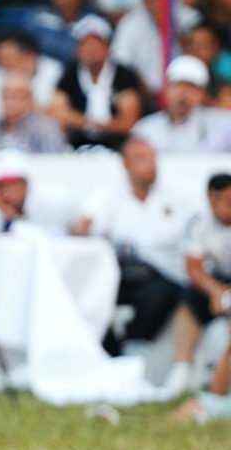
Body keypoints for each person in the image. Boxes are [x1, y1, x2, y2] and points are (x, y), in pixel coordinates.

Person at [75, 137, 196, 355]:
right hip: (122, 273)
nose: (149, 164)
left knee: (161, 292)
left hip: (167, 275)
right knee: (89, 291)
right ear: (125, 164)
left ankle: (130, 346)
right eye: (140, 158)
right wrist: (82, 229)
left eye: (152, 158)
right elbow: (83, 226)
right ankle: (106, 351)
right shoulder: (108, 195)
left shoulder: (179, 195)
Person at [166, 173, 231, 395]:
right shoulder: (199, 223)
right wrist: (217, 292)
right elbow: (193, 267)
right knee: (190, 301)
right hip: (215, 281)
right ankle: (181, 369)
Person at [48, 15, 144, 150]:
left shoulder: (124, 75)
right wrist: (91, 123)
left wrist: (84, 122)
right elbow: (57, 113)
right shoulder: (69, 74)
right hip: (76, 145)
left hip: (118, 146)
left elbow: (128, 122)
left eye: (95, 43)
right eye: (84, 44)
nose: (90, 49)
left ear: (107, 47)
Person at [111, 0, 202, 95]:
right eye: (153, 0)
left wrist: (178, 32)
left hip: (185, 91)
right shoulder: (130, 23)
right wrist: (144, 90)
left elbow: (202, 50)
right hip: (146, 95)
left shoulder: (187, 17)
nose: (159, 5)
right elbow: (121, 64)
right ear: (144, 2)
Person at [133, 55, 231, 151]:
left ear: (203, 94)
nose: (183, 94)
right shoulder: (145, 129)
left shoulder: (222, 124)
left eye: (191, 88)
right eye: (178, 86)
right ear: (166, 89)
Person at [0, 32, 63, 132]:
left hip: (46, 135)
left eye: (8, 58)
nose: (1, 64)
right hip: (7, 135)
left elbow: (60, 114)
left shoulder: (55, 70)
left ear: (30, 56)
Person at [0, 72, 67, 153]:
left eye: (15, 96)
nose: (9, 102)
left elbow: (54, 162)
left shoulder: (46, 128)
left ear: (29, 100)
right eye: (5, 96)